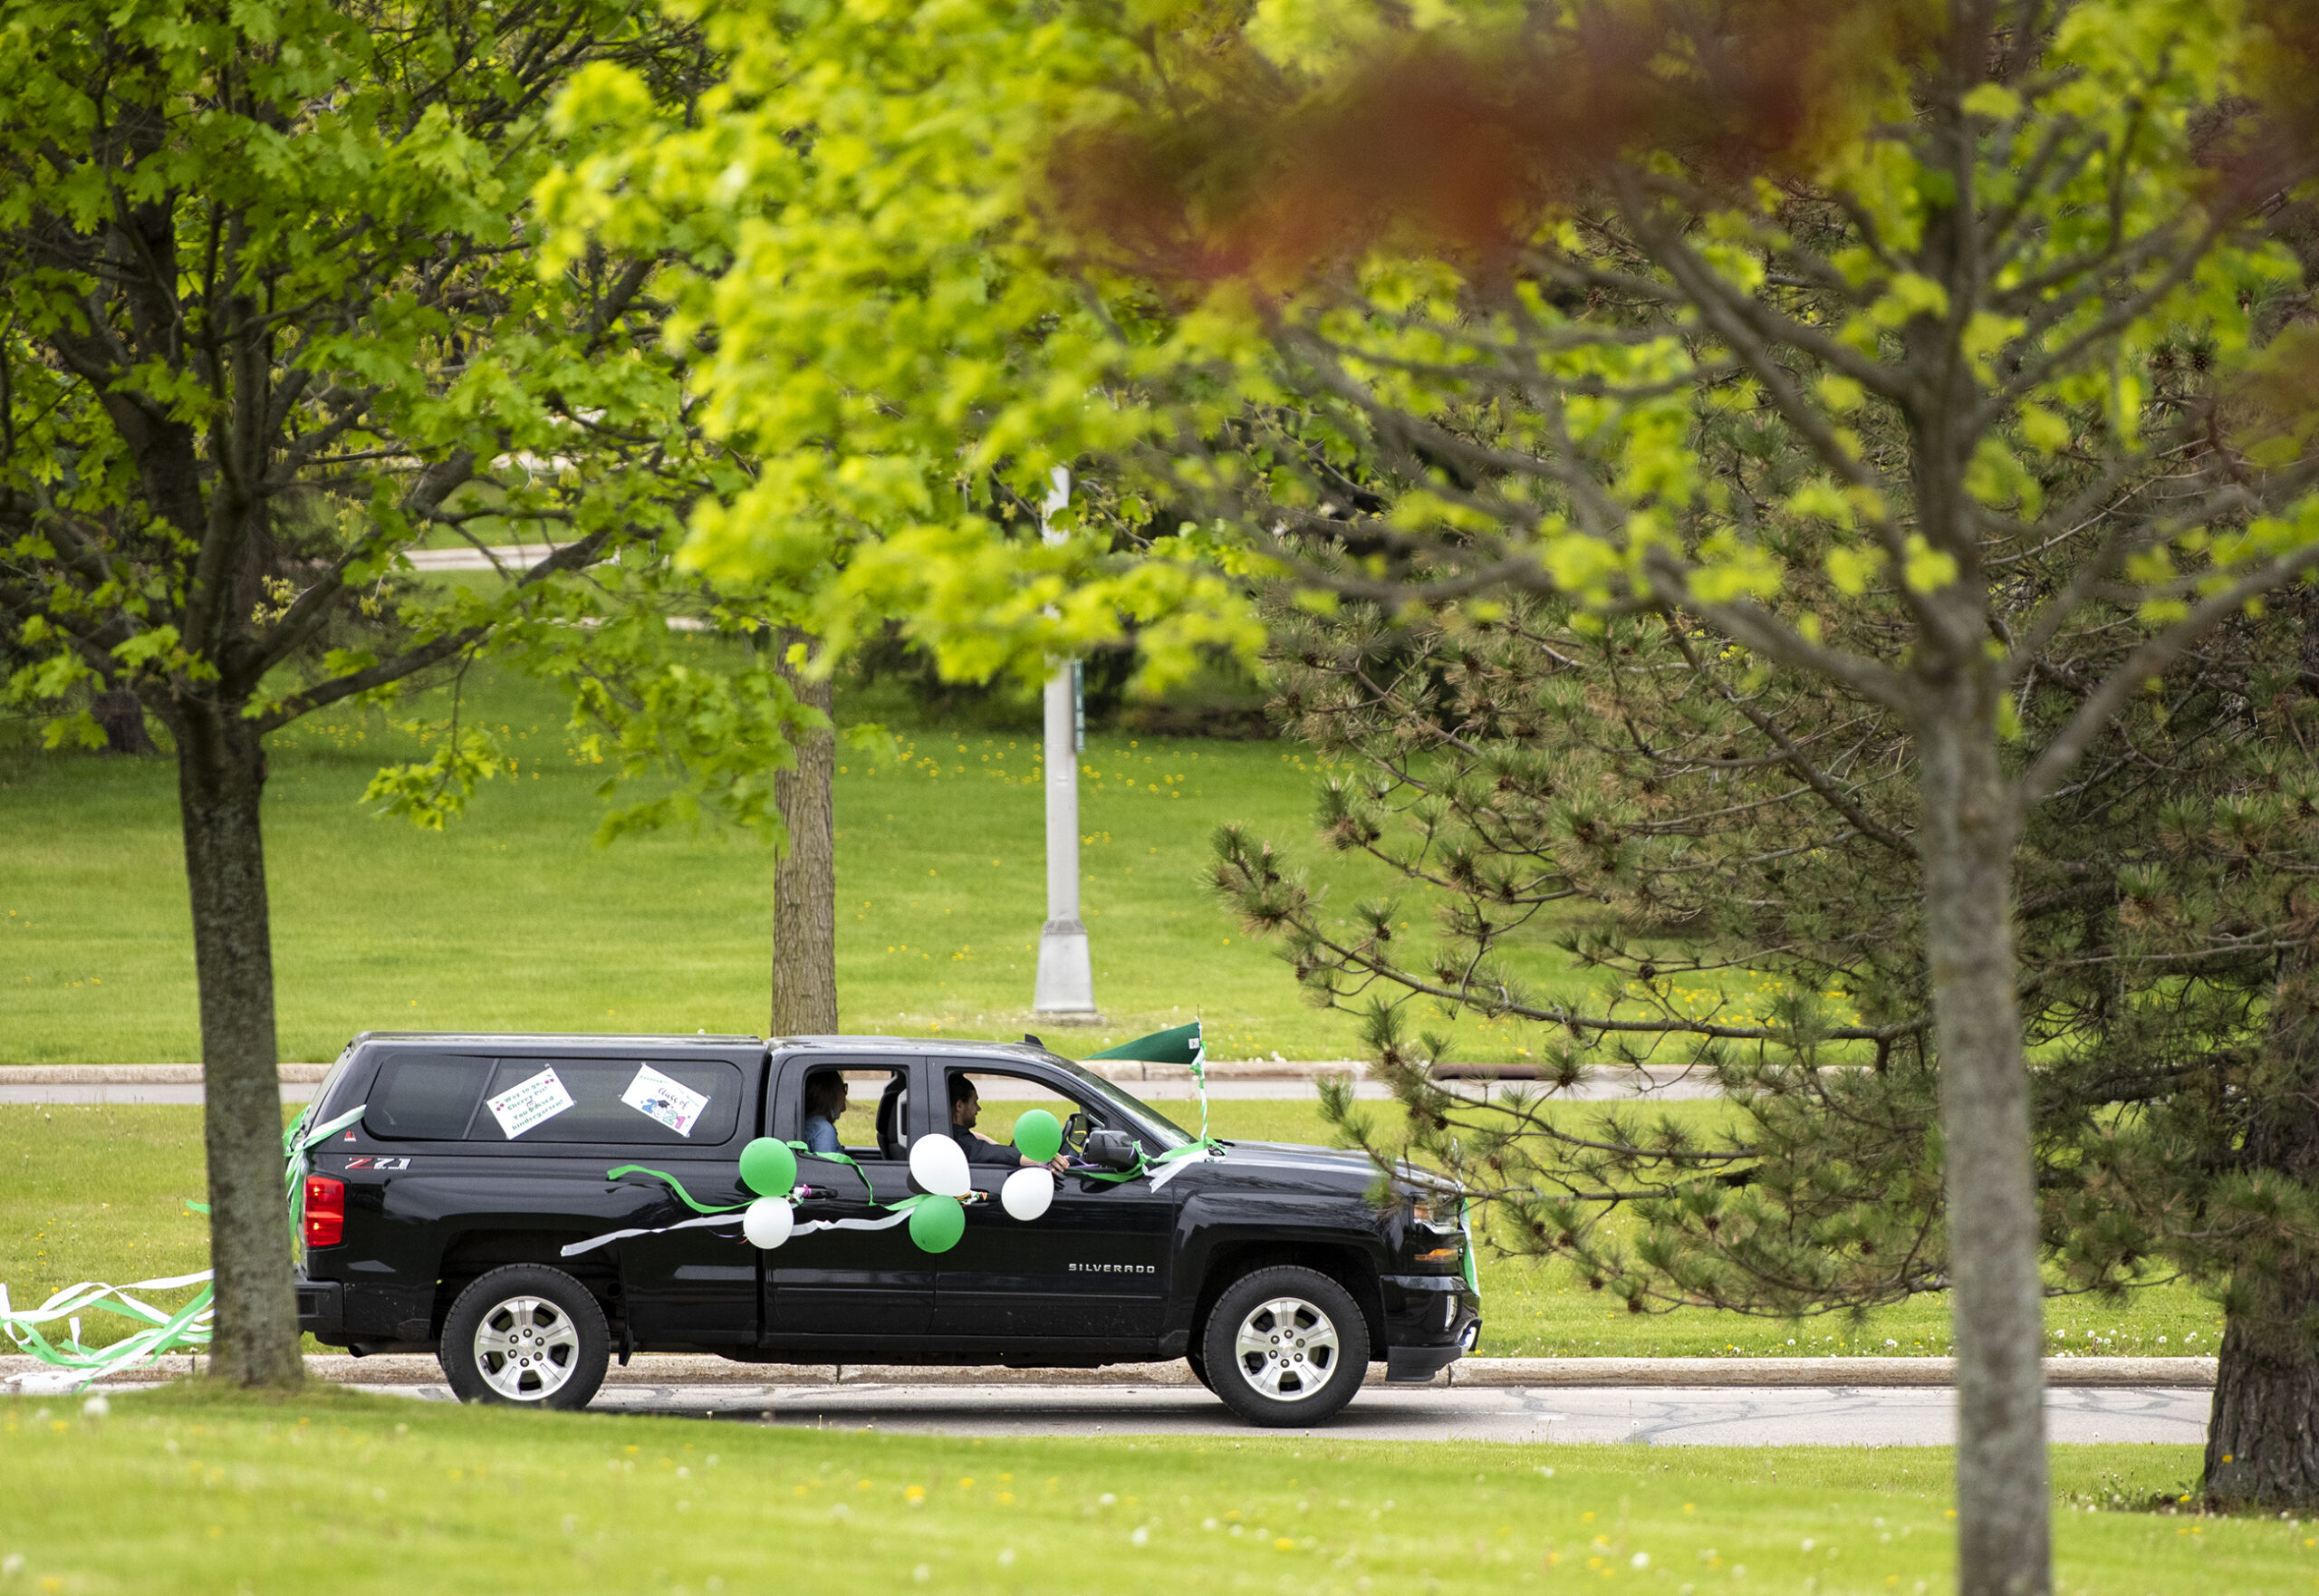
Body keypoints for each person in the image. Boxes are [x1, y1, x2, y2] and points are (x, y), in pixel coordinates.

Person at [948, 1075, 1067, 1168]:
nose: (978, 1108)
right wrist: (1041, 1160)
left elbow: (977, 1139)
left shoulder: (949, 1132)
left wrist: (994, 1143)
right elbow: (985, 1151)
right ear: (959, 1106)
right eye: (974, 1103)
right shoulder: (961, 1142)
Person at [802, 1072, 848, 1155]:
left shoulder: (810, 1123)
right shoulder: (824, 1130)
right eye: (843, 1088)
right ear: (831, 1093)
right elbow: (826, 1166)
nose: (845, 1093)